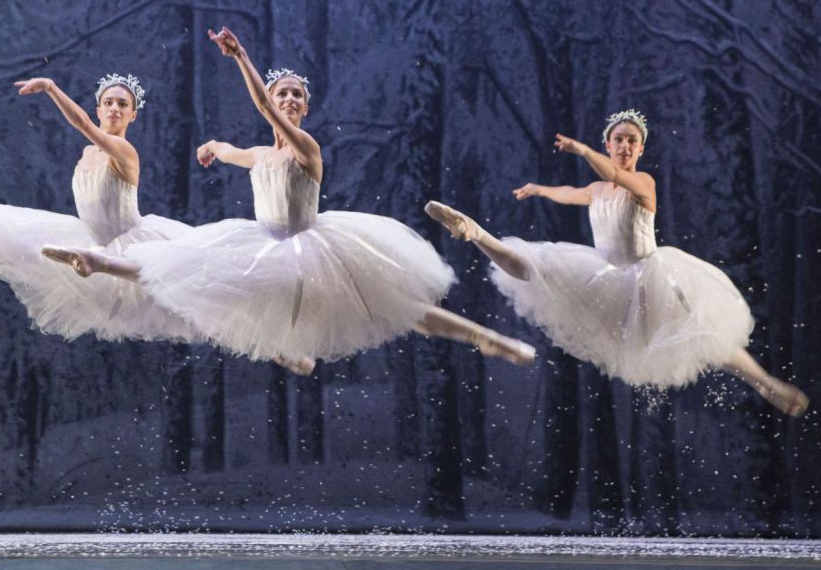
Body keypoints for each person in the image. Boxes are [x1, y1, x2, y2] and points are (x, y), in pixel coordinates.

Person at [42, 27, 536, 368]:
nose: (289, 100)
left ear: (304, 108)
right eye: (284, 93)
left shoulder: (306, 148)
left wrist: (241, 58)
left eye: (297, 95)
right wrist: (214, 147)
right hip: (264, 243)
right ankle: (99, 263)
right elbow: (237, 152)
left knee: (398, 310)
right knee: (193, 273)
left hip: (314, 247)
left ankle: (486, 338)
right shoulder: (263, 154)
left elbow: (262, 108)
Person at [425, 109, 809, 416]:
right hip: (605, 274)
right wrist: (541, 189)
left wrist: (582, 151)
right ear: (609, 144)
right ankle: (475, 231)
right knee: (532, 265)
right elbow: (573, 192)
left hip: (650, 277)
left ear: (640, 150)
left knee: (702, 335)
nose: (625, 146)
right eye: (619, 139)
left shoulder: (644, 183)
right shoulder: (597, 189)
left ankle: (764, 383)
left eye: (632, 141)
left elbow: (613, 174)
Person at [0, 73, 203, 347]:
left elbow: (82, 124)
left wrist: (51, 88)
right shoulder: (87, 154)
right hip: (89, 239)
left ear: (133, 115)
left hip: (128, 243)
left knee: (174, 287)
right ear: (99, 109)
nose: (114, 109)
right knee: (12, 247)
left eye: (123, 104)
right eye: (108, 103)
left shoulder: (125, 151)